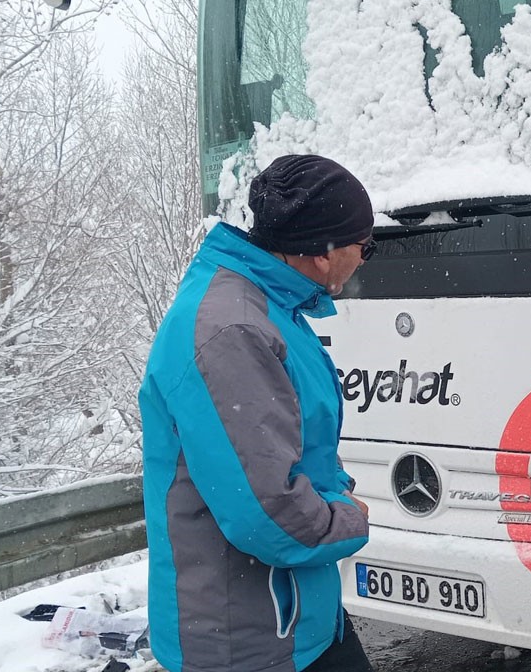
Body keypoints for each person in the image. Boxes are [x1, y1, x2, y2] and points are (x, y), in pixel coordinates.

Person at [140, 154, 378, 672]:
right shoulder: (234, 331)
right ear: (323, 253)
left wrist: (333, 489)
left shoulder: (270, 308)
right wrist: (350, 518)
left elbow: (290, 448)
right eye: (365, 245)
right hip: (246, 640)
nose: (365, 258)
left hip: (290, 616)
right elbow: (265, 514)